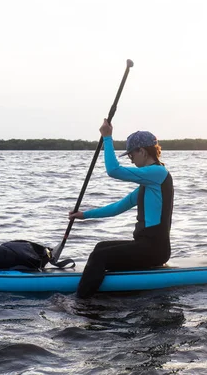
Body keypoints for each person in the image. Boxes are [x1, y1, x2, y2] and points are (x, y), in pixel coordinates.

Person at [69, 118, 174, 298]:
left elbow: (113, 170)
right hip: (144, 246)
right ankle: (97, 289)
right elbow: (118, 207)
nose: (131, 160)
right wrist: (84, 215)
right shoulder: (148, 183)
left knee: (99, 257)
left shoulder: (158, 173)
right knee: (100, 247)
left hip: (154, 249)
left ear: (142, 151)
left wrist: (107, 138)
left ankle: (80, 302)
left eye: (131, 155)